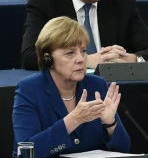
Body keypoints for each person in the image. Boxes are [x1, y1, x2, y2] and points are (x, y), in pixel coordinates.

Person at [13, 16, 130, 157]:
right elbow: (26, 152)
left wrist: (110, 124)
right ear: (47, 58)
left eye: (83, 51)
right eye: (70, 53)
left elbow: (124, 150)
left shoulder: (97, 85)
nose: (81, 59)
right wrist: (73, 120)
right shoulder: (30, 89)